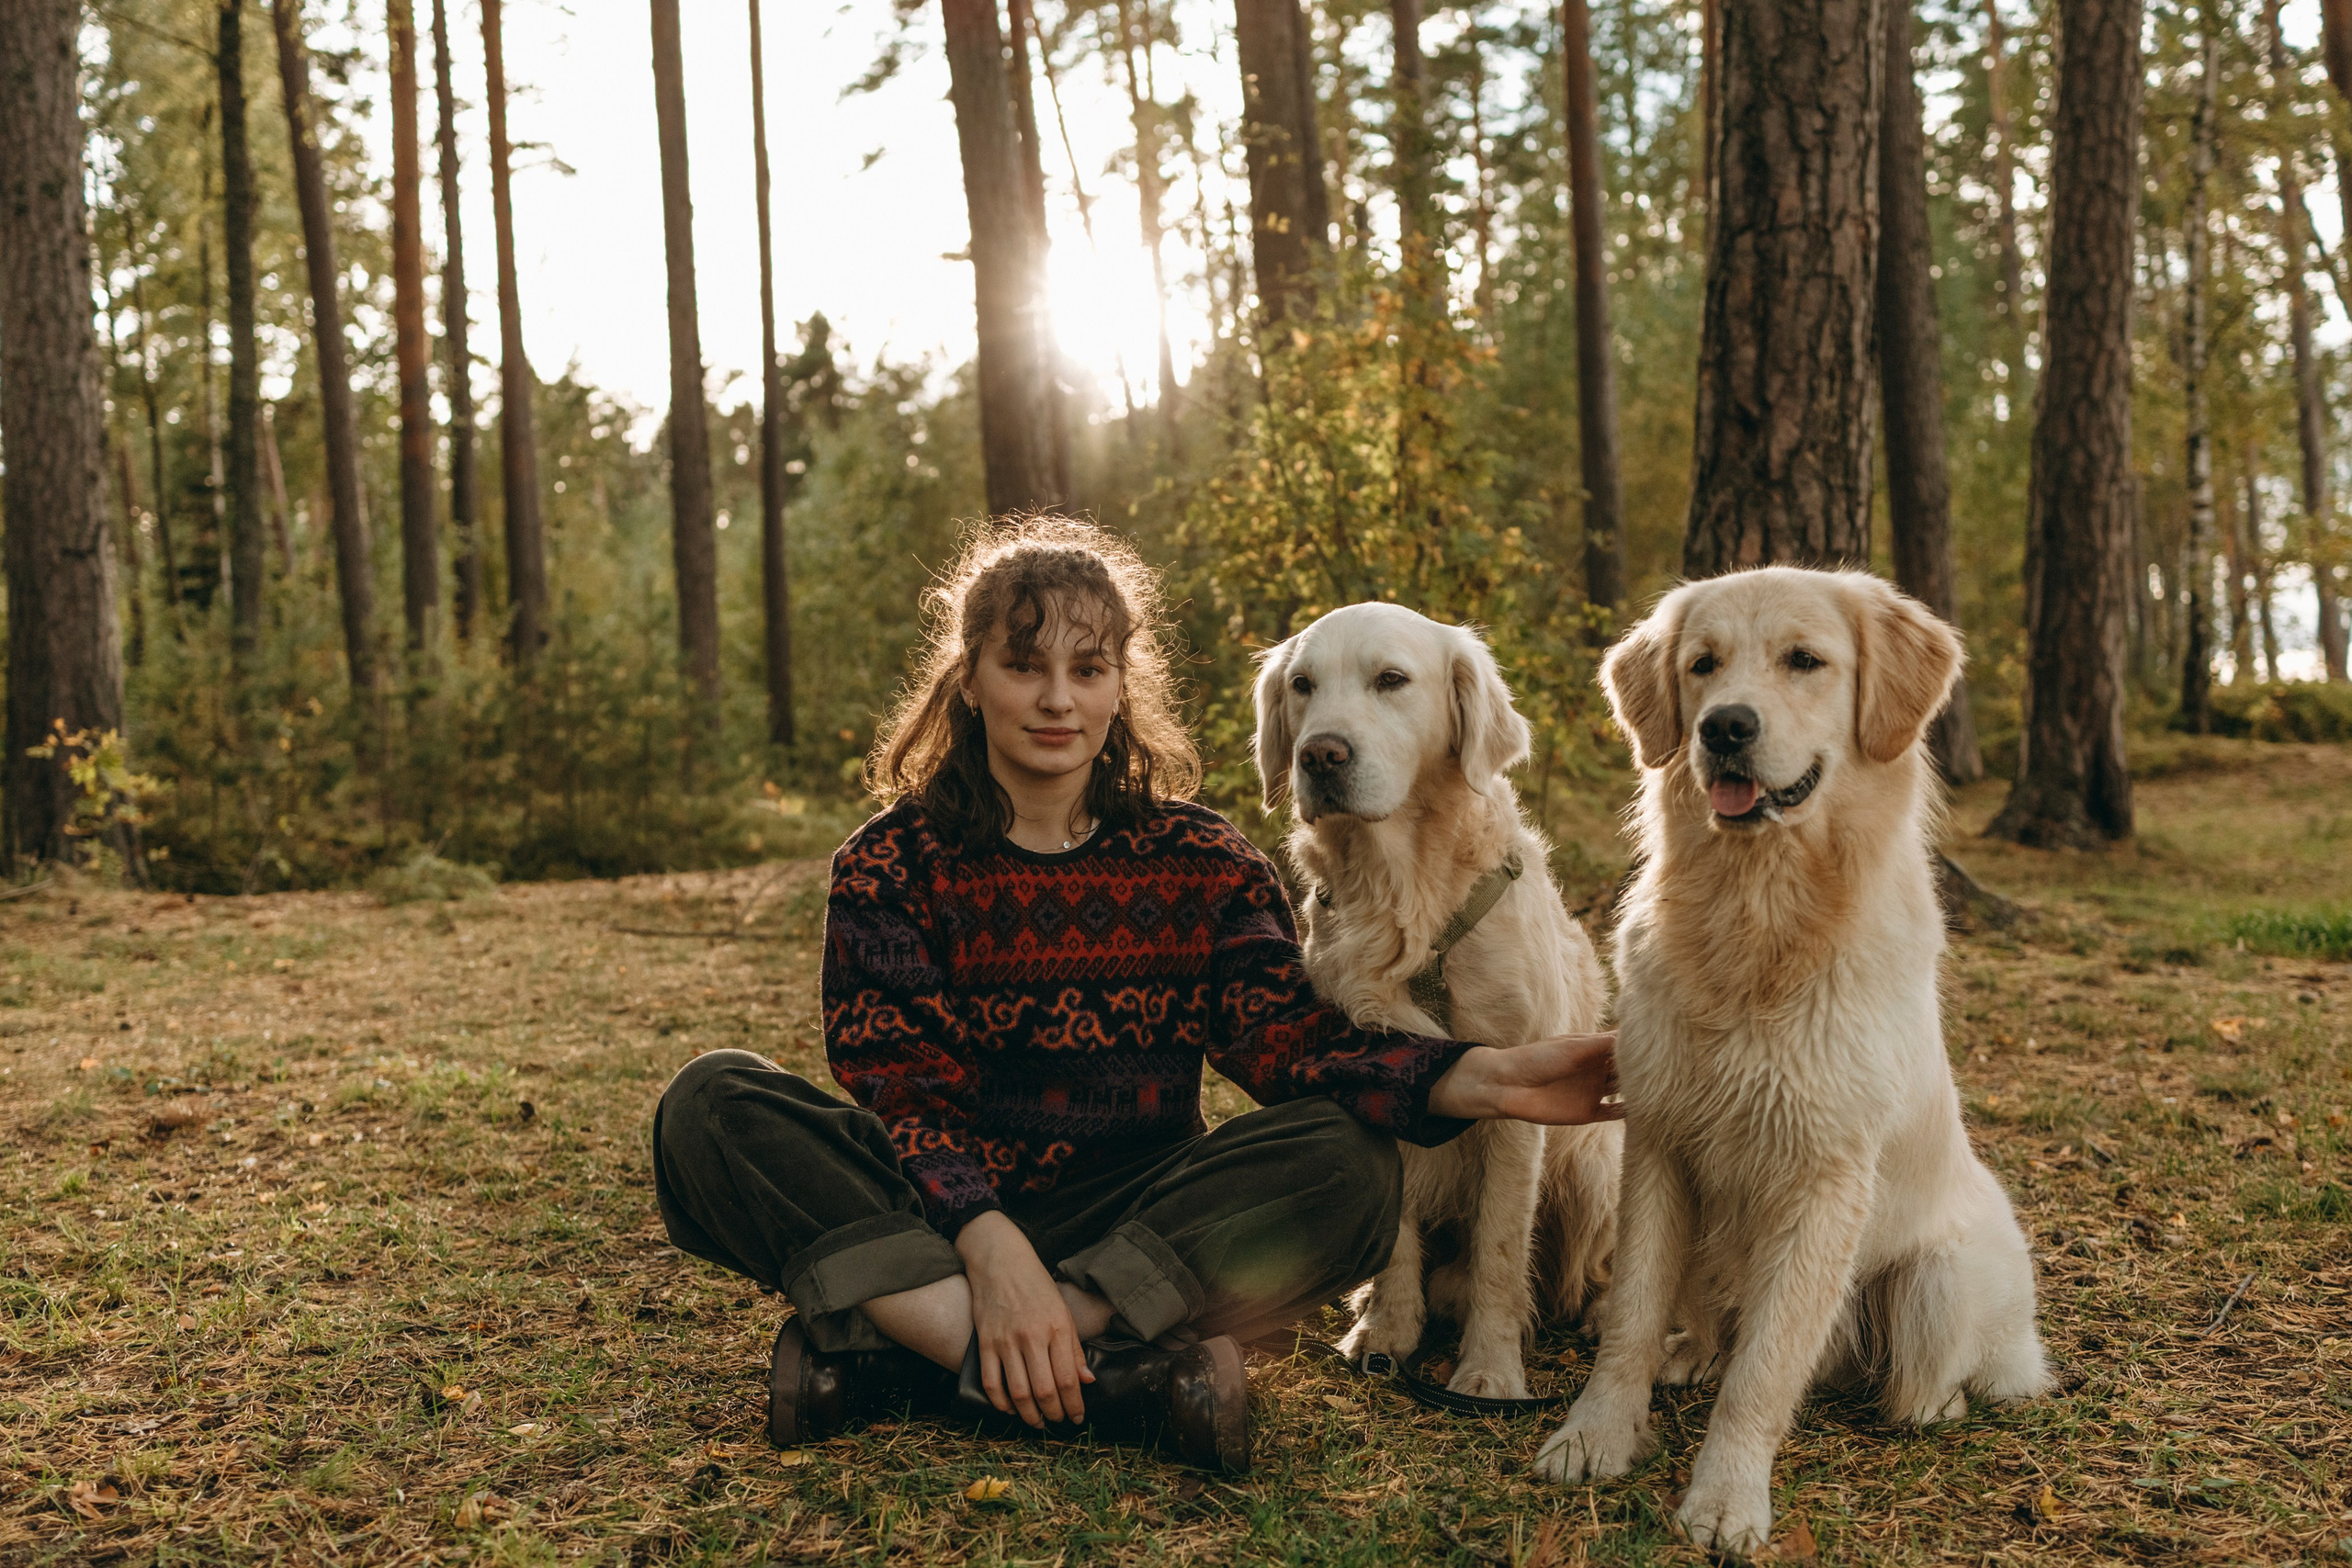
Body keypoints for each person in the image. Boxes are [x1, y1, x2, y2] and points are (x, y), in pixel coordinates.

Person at [651, 517, 1621, 1474]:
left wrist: (1482, 1078)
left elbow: (1289, 1049)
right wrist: (990, 1249)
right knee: (711, 1104)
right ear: (970, 682)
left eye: (1088, 668)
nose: (1056, 699)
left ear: (1122, 686)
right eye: (1024, 665)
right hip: (936, 1208)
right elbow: (905, 1092)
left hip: (1132, 1224)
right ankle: (1108, 1378)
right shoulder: (887, 865)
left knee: (1347, 1153)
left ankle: (927, 1356)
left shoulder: (1202, 862)